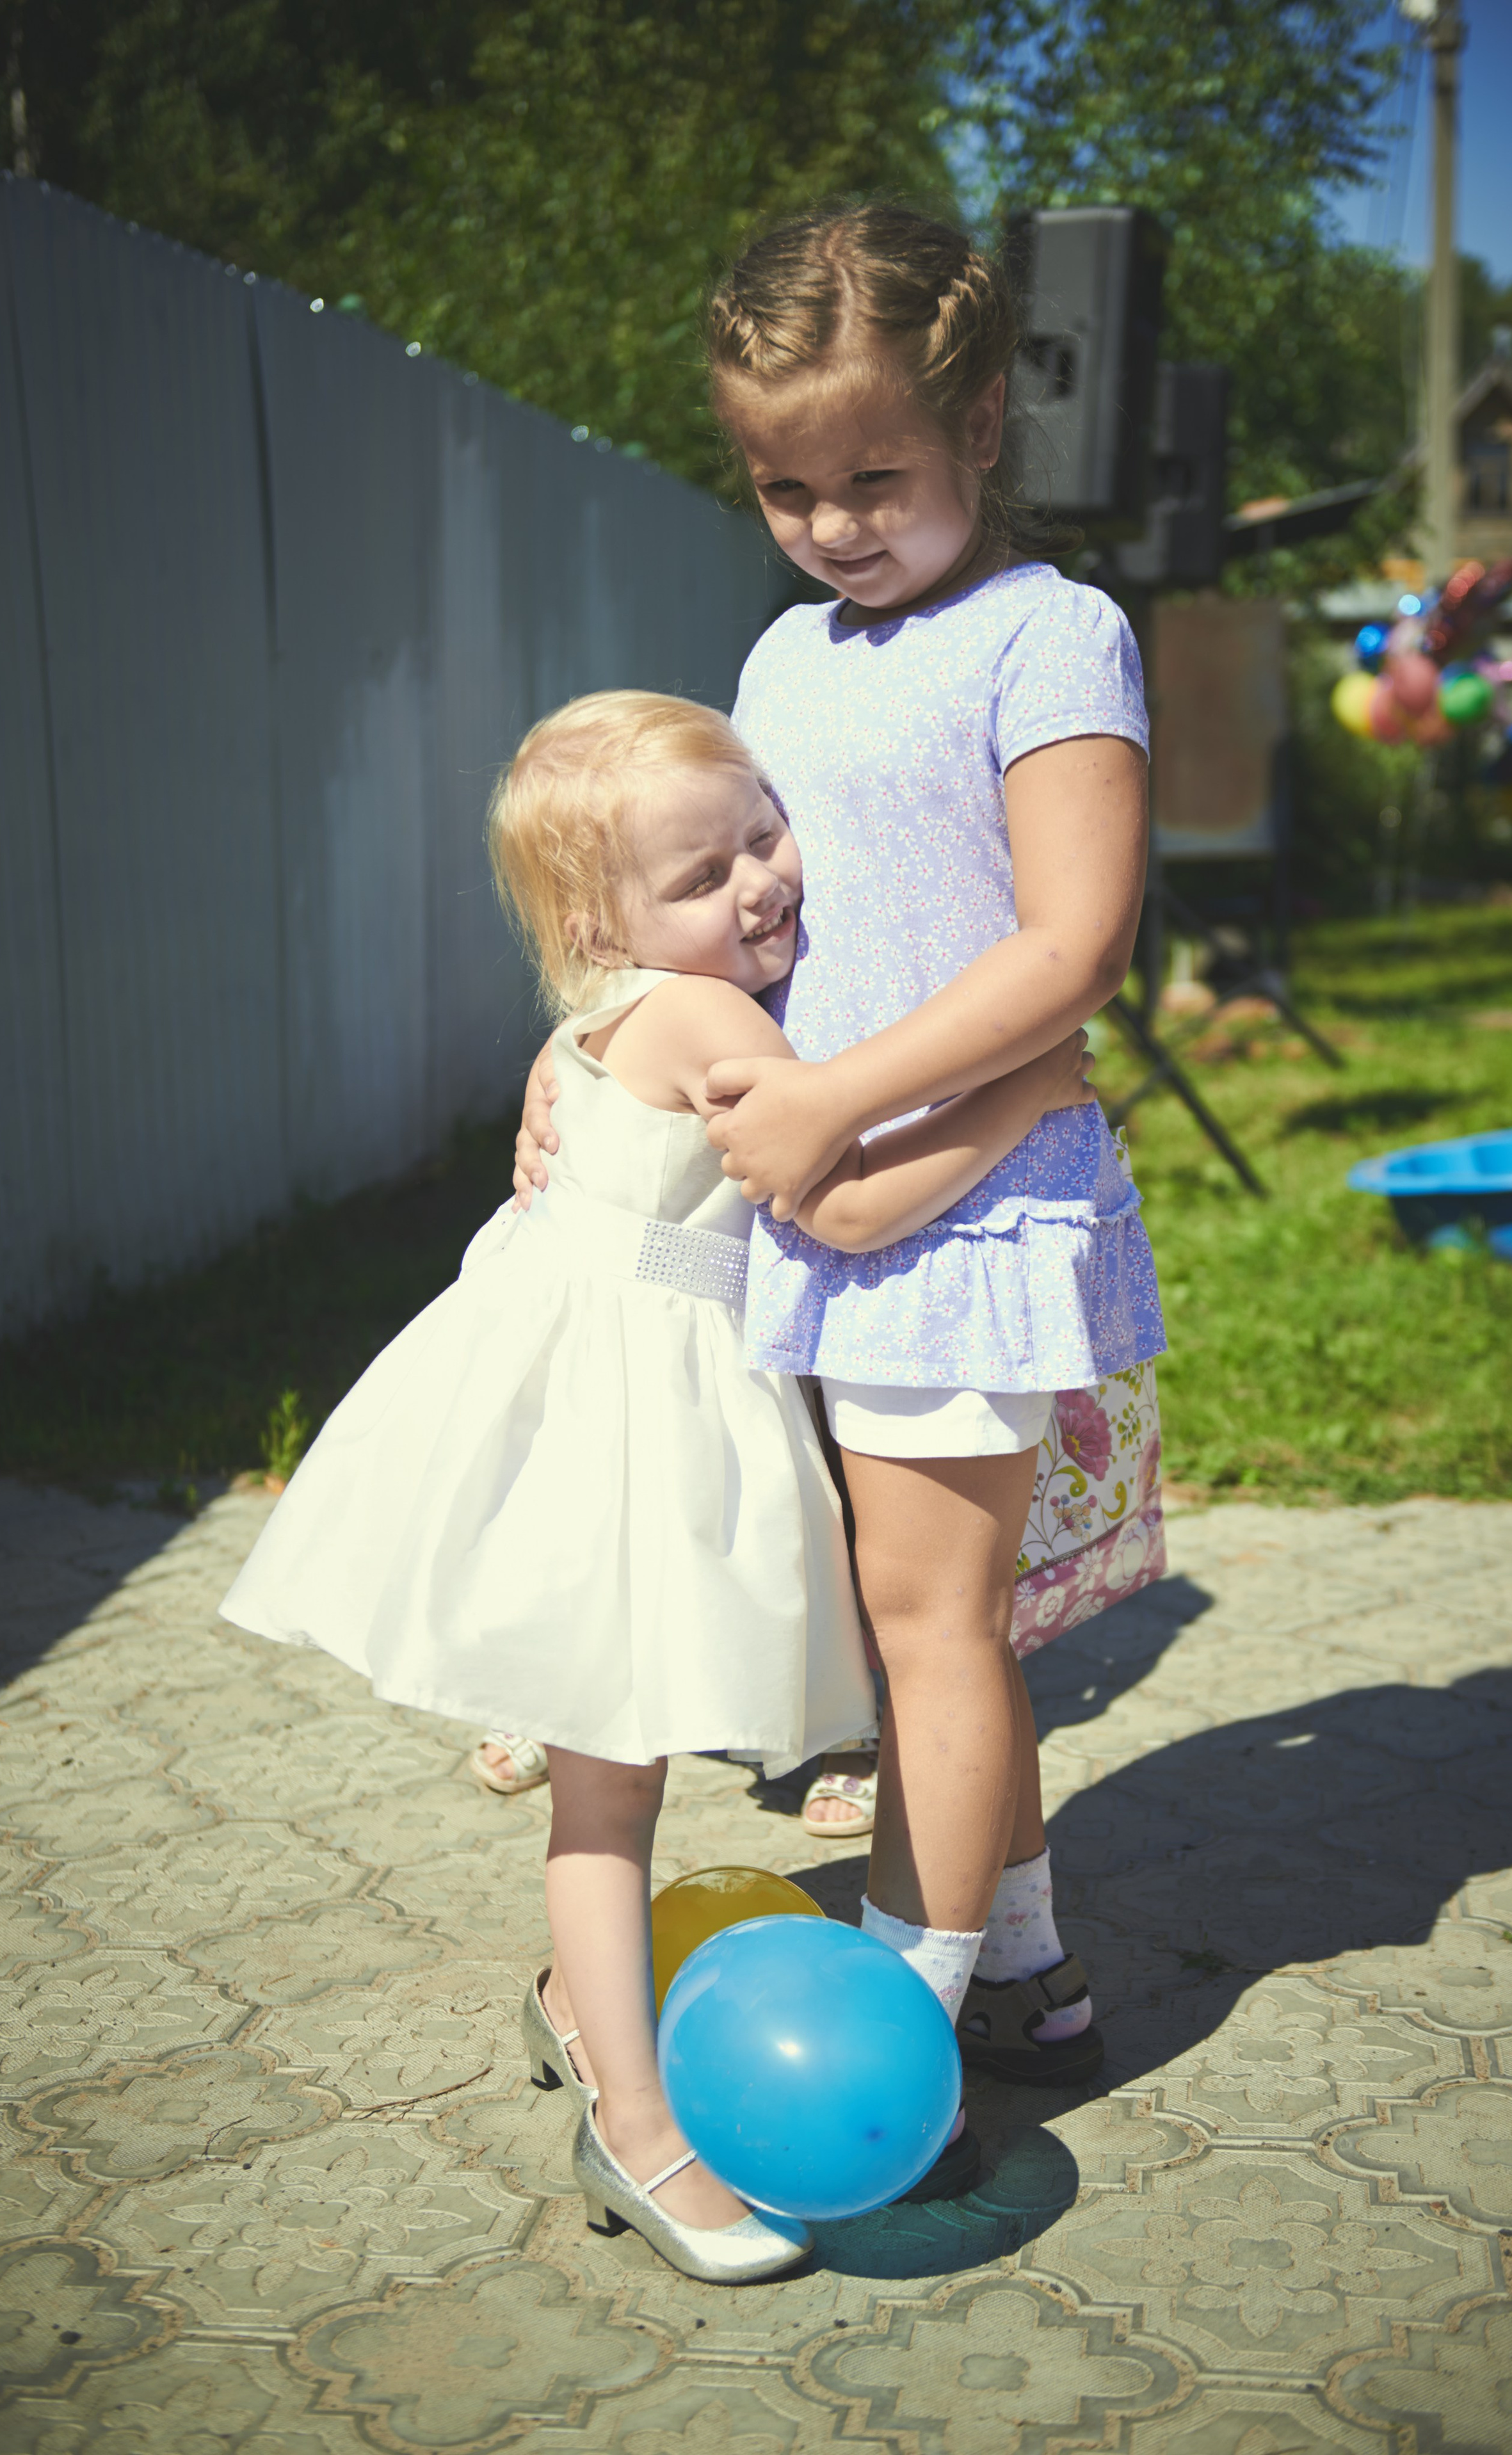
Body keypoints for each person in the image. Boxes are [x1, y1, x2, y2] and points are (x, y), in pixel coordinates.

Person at [221, 689, 1098, 2281]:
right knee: (611, 1785)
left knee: (601, 1783)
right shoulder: (709, 1019)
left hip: (588, 1407)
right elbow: (833, 1209)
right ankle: (638, 2129)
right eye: (703, 875)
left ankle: (589, 2021)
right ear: (598, 917)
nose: (758, 885)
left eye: (763, 835)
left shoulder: (603, 1014)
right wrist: (1019, 1095)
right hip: (636, 1421)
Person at [517, 204, 1164, 2191]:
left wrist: (852, 1128)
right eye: (785, 484)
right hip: (815, 1217)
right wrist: (574, 1058)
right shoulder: (783, 651)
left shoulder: (1053, 631)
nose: (830, 524)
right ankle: (1036, 1976)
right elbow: (700, 918)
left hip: (965, 1219)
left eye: (873, 474)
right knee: (922, 1634)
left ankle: (911, 2026)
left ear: (981, 416)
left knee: (929, 1631)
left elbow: (1075, 947)